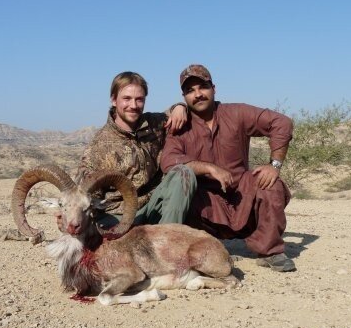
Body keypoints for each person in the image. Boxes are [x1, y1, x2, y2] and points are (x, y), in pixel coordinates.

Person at [160, 64, 296, 272]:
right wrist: (209, 168)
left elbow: (282, 123)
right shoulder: (179, 125)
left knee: (270, 183)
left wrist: (274, 165)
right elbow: (168, 161)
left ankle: (270, 251)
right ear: (184, 96)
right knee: (182, 187)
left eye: (202, 87)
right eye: (190, 91)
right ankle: (200, 249)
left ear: (213, 88)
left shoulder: (237, 113)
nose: (198, 94)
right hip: (206, 202)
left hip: (241, 194)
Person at [72, 71, 196, 230]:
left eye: (139, 99)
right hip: (118, 217)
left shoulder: (154, 124)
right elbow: (84, 195)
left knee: (184, 173)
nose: (133, 105)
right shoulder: (97, 148)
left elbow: (172, 112)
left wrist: (180, 106)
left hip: (154, 205)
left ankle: (167, 238)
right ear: (113, 100)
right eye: (126, 98)